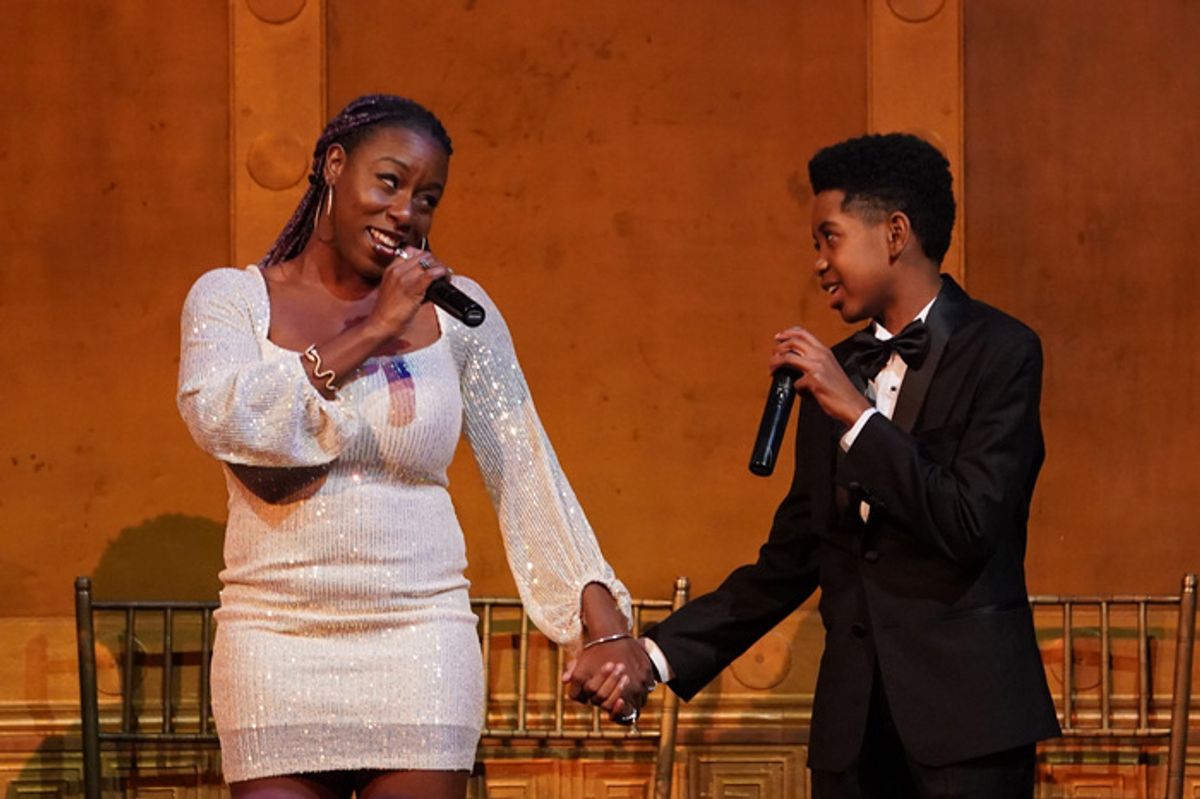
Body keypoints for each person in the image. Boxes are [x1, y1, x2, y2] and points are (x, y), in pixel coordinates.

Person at [177, 94, 653, 799]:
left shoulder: (461, 316)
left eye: (427, 198)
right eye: (390, 182)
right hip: (274, 638)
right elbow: (227, 420)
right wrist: (374, 328)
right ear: (334, 167)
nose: (406, 212)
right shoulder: (232, 300)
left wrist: (599, 611)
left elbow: (524, 467)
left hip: (419, 637)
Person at [570, 133, 1061, 797]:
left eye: (828, 238)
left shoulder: (1002, 352)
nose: (818, 264)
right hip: (851, 739)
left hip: (970, 730)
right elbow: (790, 560)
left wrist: (858, 417)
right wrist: (652, 654)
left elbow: (970, 520)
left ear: (894, 233)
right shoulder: (839, 372)